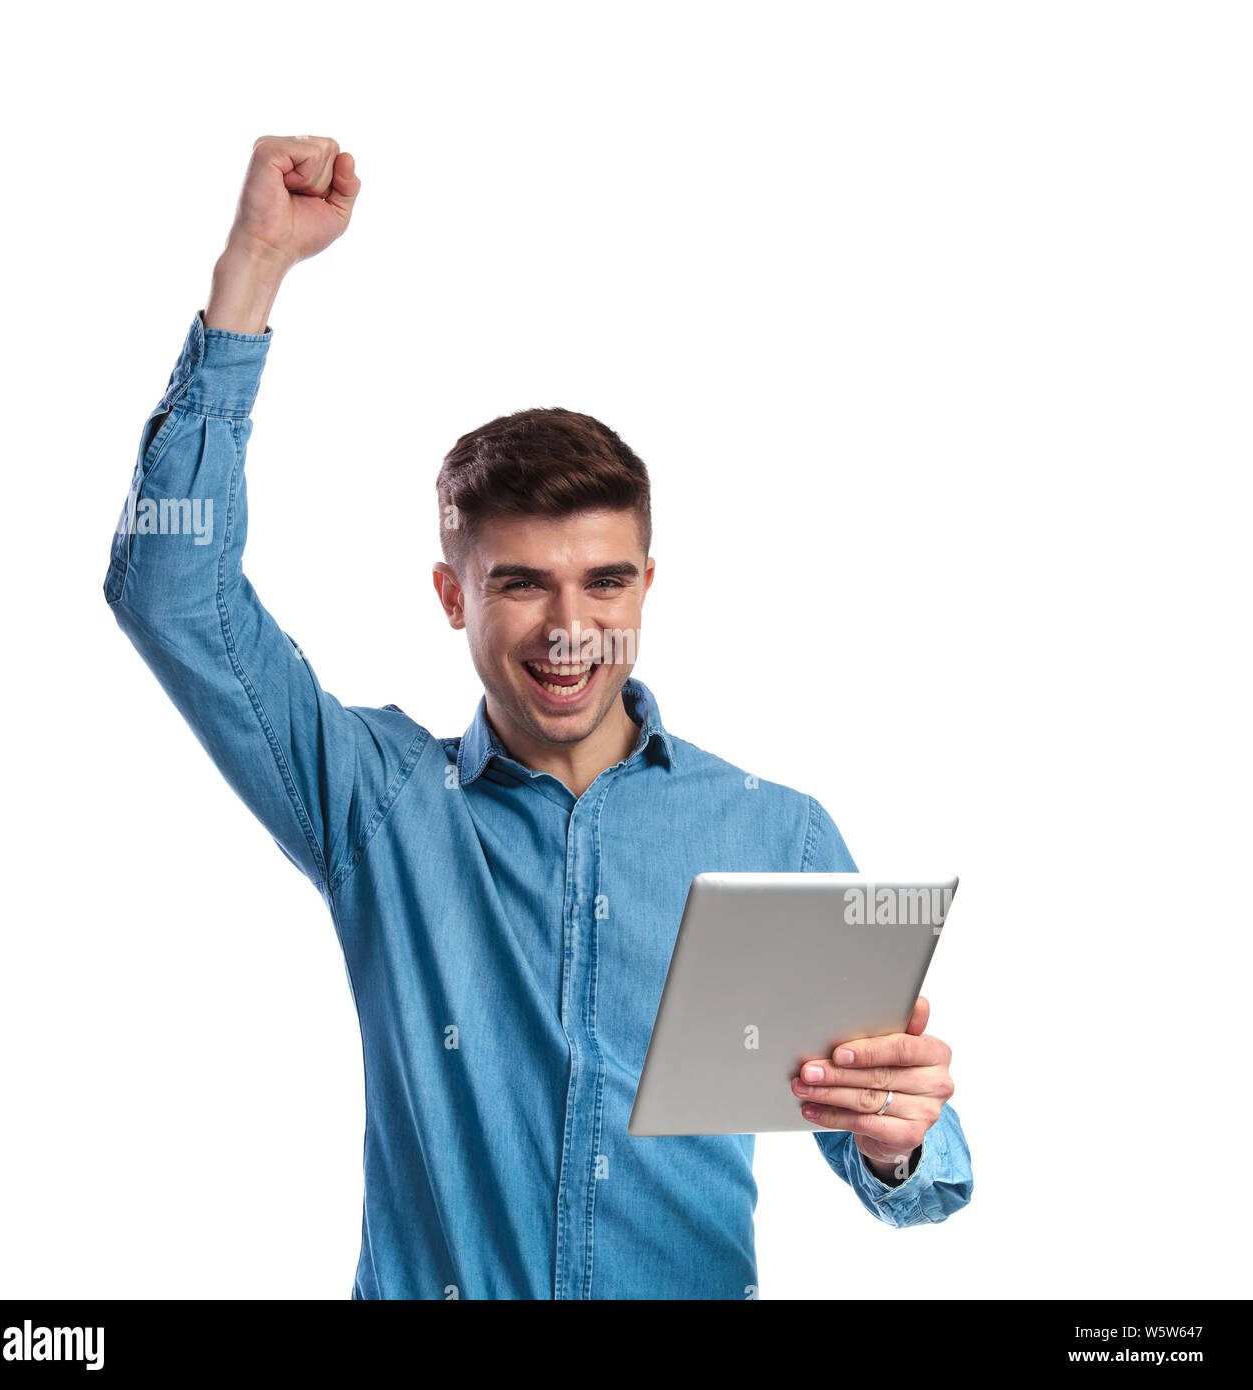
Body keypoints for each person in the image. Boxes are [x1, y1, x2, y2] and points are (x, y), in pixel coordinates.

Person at [103, 134, 974, 1300]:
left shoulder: (780, 836)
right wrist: (253, 268)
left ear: (648, 586)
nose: (570, 626)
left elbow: (910, 1170)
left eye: (604, 581)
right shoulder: (377, 802)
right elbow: (169, 594)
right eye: (520, 583)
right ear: (452, 594)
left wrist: (893, 1134)